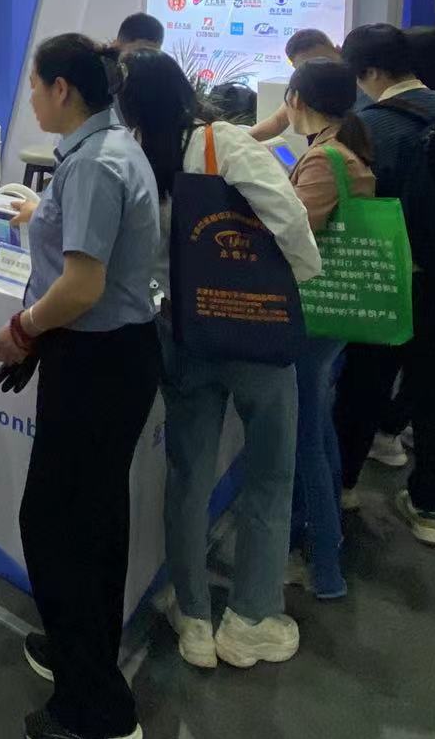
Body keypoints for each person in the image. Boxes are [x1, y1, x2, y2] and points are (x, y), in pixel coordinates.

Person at [0, 33, 161, 739]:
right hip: (104, 356)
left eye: (35, 85)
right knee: (87, 519)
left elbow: (83, 287)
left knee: (62, 524)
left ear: (63, 89)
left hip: (98, 359)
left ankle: (97, 712)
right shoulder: (105, 149)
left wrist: (22, 329)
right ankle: (77, 647)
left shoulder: (94, 163)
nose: (31, 98)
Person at [118, 50, 320, 671]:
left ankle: (194, 618)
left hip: (183, 333)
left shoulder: (133, 157)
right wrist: (300, 277)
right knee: (270, 473)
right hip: (256, 334)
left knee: (188, 475)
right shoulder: (220, 143)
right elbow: (286, 214)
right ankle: (251, 619)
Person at [334, 24, 435, 546]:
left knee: (365, 381)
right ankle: (430, 508)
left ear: (371, 72)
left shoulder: (366, 125)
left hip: (389, 275)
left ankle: (344, 485)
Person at [284, 57, 377, 601]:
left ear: (298, 99)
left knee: (305, 441)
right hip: (332, 312)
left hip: (312, 312)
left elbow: (293, 232)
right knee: (318, 430)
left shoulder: (325, 158)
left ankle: (323, 568)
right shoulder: (344, 147)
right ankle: (323, 545)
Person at [249, 29, 339, 143]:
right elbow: (278, 121)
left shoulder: (358, 80)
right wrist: (236, 141)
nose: (320, 73)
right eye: (308, 69)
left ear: (338, 50)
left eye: (324, 62)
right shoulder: (306, 84)